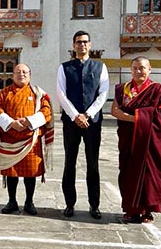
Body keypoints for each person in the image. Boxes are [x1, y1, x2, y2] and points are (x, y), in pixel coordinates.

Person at [112, 57, 161, 223]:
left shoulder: (160, 90)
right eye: (135, 68)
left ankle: (147, 211)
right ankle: (131, 210)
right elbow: (115, 110)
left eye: (142, 68)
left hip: (150, 142)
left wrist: (134, 117)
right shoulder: (122, 90)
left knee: (149, 176)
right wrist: (136, 118)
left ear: (149, 69)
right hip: (129, 141)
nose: (138, 71)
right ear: (131, 70)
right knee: (128, 174)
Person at [56, 30, 110, 219]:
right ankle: (69, 203)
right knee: (69, 163)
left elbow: (103, 94)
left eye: (85, 42)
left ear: (90, 44)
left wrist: (88, 114)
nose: (82, 45)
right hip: (71, 123)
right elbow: (61, 94)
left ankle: (94, 205)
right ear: (74, 45)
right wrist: (75, 115)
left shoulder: (99, 67)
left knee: (92, 164)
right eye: (78, 42)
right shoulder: (64, 68)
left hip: (92, 122)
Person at [0, 63, 53, 215]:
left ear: (30, 75)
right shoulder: (5, 93)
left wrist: (28, 122)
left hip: (30, 139)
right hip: (9, 139)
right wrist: (12, 123)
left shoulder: (38, 93)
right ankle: (12, 201)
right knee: (11, 173)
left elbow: (46, 111)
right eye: (18, 72)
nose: (21, 74)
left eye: (25, 72)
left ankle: (29, 202)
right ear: (13, 75)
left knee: (30, 173)